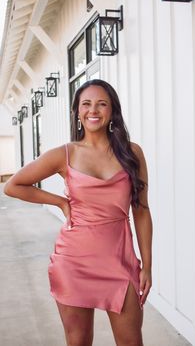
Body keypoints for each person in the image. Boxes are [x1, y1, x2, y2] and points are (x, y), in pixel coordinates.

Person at [4, 79, 153, 346]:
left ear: (112, 111)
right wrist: (60, 202)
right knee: (79, 341)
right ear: (77, 112)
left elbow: (141, 211)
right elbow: (14, 185)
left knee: (132, 342)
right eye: (86, 104)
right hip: (73, 262)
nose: (93, 110)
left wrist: (147, 266)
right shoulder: (66, 154)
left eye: (101, 104)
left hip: (120, 261)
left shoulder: (132, 153)